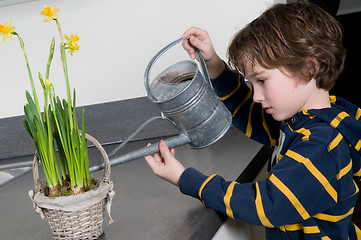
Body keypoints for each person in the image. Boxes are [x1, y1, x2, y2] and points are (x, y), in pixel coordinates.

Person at [145, 1, 361, 239]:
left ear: (309, 68)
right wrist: (213, 63)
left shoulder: (322, 146)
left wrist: (186, 179)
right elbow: (249, 113)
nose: (256, 96)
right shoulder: (303, 121)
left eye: (262, 81)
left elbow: (267, 204)